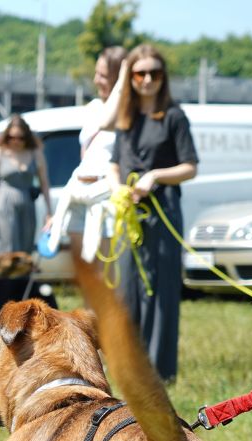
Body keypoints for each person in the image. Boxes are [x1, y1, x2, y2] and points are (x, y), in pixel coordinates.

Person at [108, 43, 197, 383]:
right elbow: (115, 163)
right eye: (140, 73)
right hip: (130, 215)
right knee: (127, 288)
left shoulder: (174, 116)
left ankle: (159, 372)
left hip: (163, 212)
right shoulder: (126, 117)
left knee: (160, 291)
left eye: (154, 73)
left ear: (163, 77)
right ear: (130, 77)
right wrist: (118, 187)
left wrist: (155, 177)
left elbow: (191, 167)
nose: (147, 80)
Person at [43, 47, 128, 260]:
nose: (96, 79)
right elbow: (85, 156)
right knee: (83, 271)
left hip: (105, 199)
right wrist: (57, 217)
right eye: (96, 73)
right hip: (79, 191)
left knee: (104, 269)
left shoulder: (128, 113)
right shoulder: (93, 107)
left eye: (103, 75)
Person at [0, 114, 50, 254]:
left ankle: (23, 276)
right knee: (6, 246)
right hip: (3, 204)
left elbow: (44, 183)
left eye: (20, 138)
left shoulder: (35, 153)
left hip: (27, 204)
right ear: (7, 136)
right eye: (12, 137)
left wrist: (48, 212)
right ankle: (3, 276)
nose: (16, 141)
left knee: (25, 245)